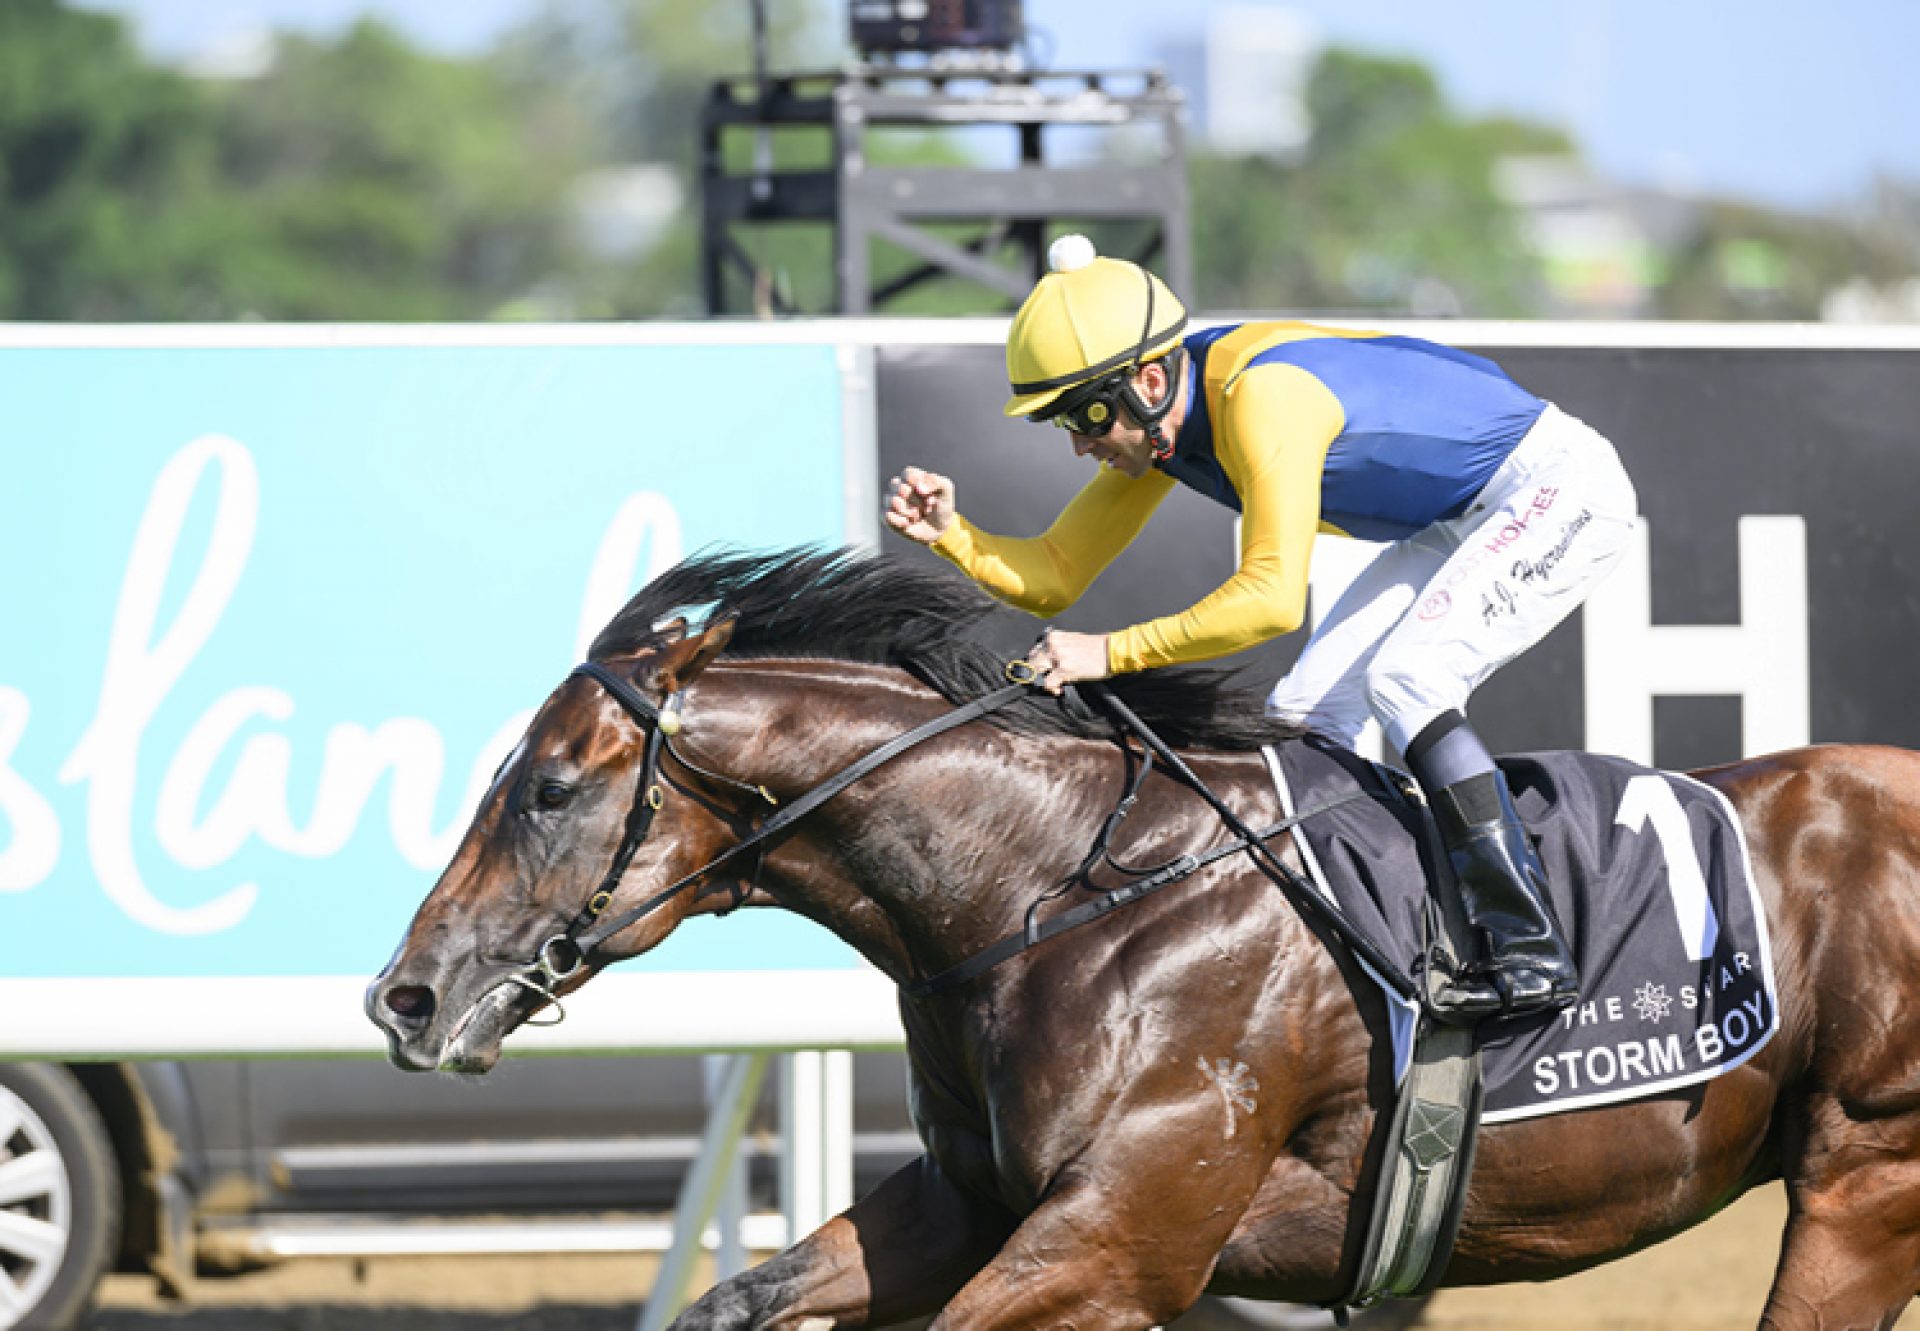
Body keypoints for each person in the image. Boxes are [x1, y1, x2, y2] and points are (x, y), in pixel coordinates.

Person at [883, 235, 1639, 1023]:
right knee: (1304, 720)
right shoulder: (1163, 423)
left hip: (1554, 487)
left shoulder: (1260, 399)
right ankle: (1373, 936)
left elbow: (1271, 598)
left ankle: (1530, 948)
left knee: (1409, 677)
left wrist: (1108, 652)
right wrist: (954, 536)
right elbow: (1055, 574)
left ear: (1146, 381)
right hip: (1458, 517)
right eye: (1062, 423)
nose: (1079, 441)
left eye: (1085, 414)